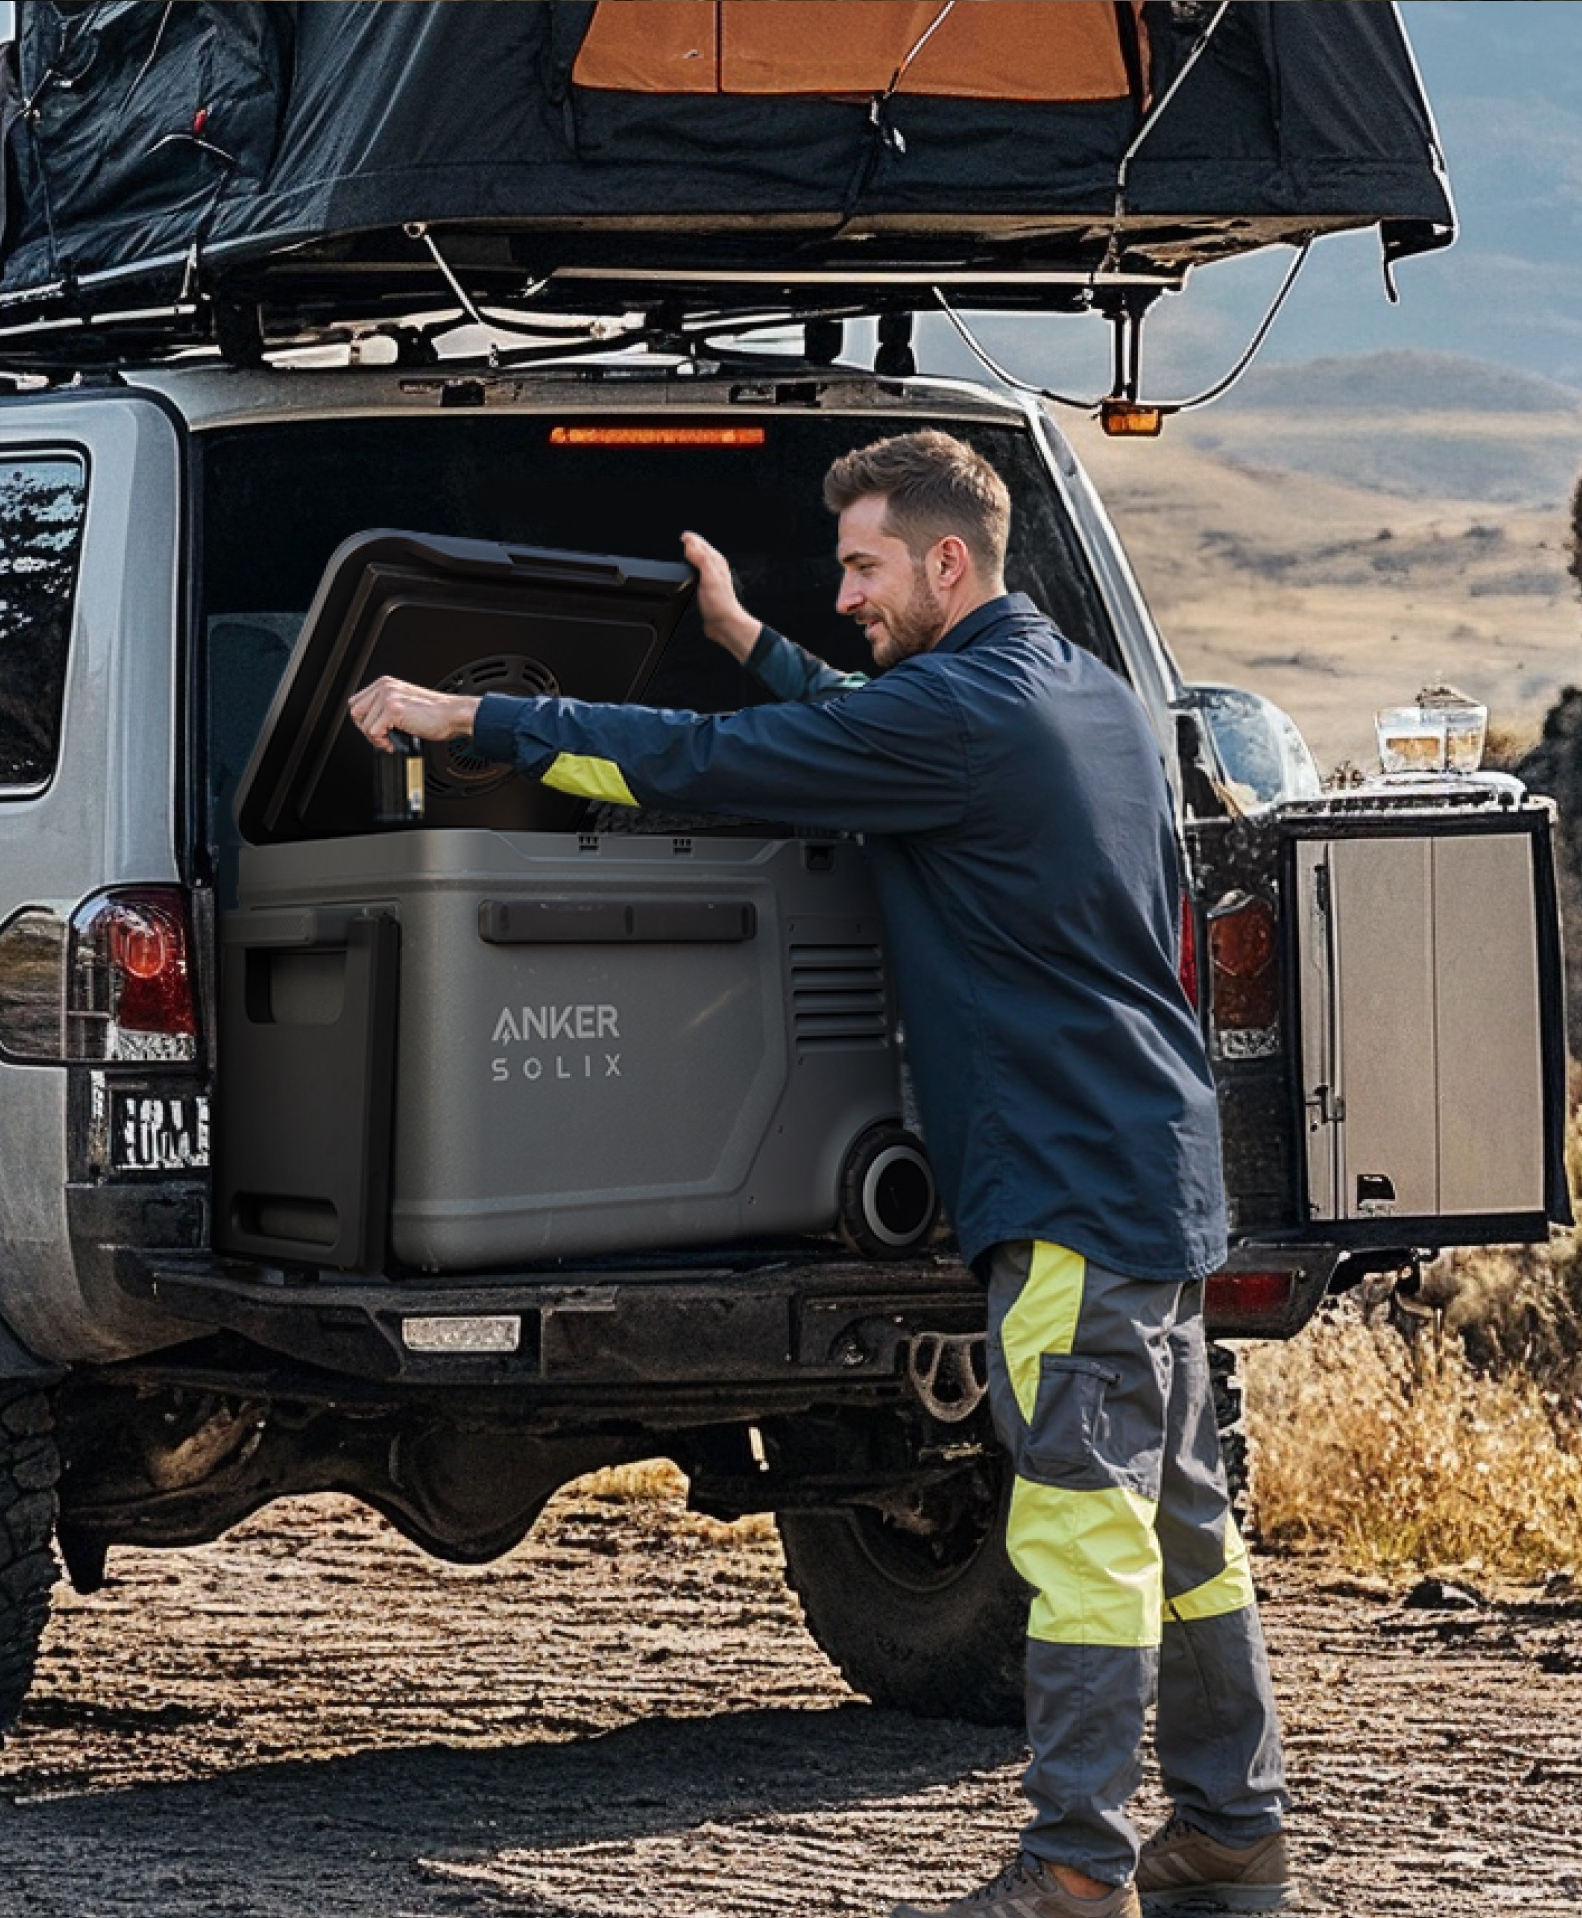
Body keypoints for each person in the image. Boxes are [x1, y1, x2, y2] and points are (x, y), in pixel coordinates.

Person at [343, 430, 1288, 1918]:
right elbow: (871, 716)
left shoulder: (957, 718)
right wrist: (747, 637)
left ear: (945, 561)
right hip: (1155, 1167)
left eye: (858, 563)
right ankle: (1231, 1827)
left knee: (1077, 1526)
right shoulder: (1085, 696)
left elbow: (707, 763)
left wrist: (481, 715)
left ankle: (1071, 1867)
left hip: (1054, 1184)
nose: (843, 588)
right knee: (1181, 1523)